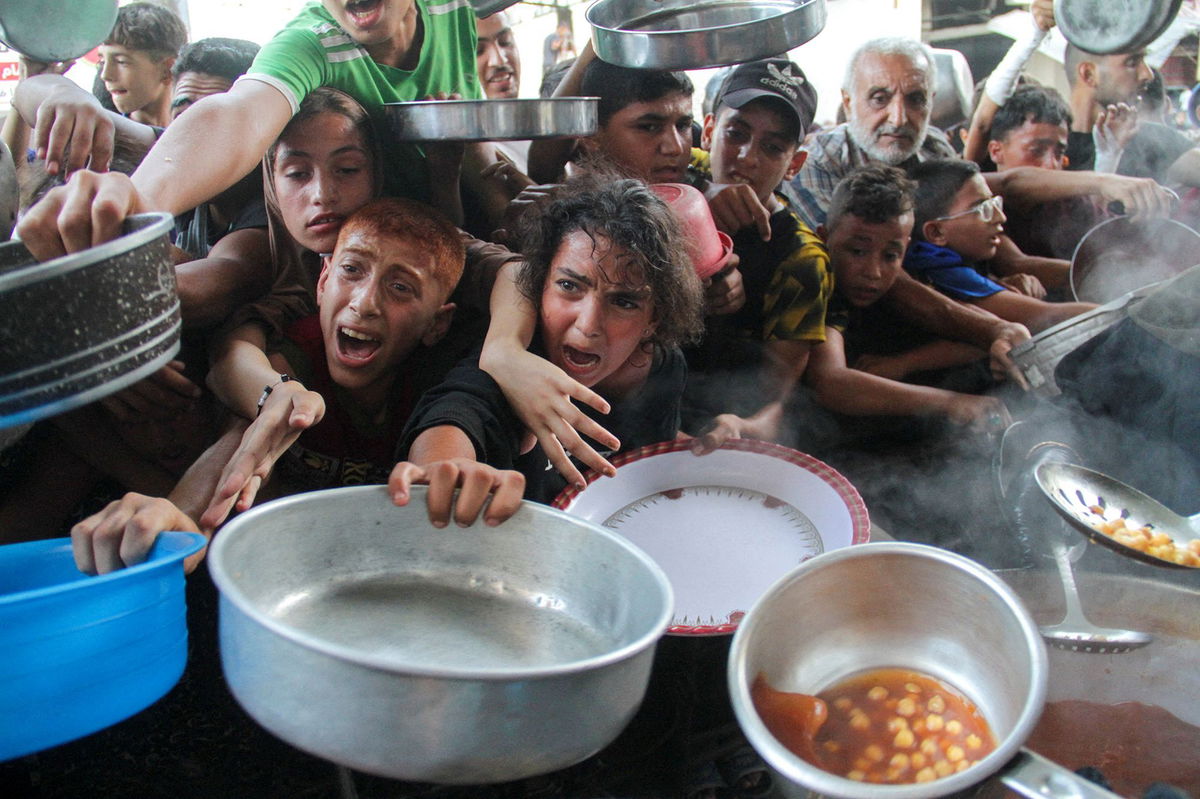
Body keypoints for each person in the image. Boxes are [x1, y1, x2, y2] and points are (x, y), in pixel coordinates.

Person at [71, 197, 465, 574]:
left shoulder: (441, 380)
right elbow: (249, 434)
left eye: (400, 287)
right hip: (287, 562)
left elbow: (442, 451)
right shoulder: (295, 353)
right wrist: (179, 517)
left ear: (437, 324)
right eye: (352, 270)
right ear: (322, 281)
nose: (364, 304)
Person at [16, 0, 481, 261]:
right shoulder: (309, 43)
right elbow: (235, 116)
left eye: (347, 168)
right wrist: (133, 208)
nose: (322, 192)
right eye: (299, 172)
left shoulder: (456, 10)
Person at [391, 174, 704, 514]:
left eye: (624, 302)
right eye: (569, 286)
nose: (587, 325)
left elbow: (646, 479)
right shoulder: (513, 373)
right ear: (540, 285)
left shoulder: (664, 368)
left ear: (654, 320)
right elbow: (457, 414)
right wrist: (444, 471)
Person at [799, 165, 1012, 439]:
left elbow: (969, 335)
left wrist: (905, 363)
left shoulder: (903, 284)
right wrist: (950, 402)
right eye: (858, 251)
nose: (873, 272)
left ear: (906, 249)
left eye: (890, 256)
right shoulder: (822, 283)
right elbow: (831, 382)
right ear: (824, 238)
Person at [682, 58, 831, 446]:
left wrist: (743, 427)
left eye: (772, 147)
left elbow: (775, 393)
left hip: (719, 425)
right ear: (709, 132)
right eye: (736, 133)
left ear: (795, 164)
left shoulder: (801, 258)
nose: (748, 157)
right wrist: (699, 202)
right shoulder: (675, 178)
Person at [784, 37, 955, 230]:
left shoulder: (935, 147)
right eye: (880, 99)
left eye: (915, 99)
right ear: (848, 103)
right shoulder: (819, 163)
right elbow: (850, 250)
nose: (898, 119)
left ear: (930, 102)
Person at [906, 158, 1094, 333]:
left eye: (994, 203)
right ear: (936, 233)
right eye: (983, 209)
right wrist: (1121, 313)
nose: (1000, 217)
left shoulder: (957, 256)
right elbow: (1047, 317)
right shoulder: (938, 270)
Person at [1063, 41, 1200, 187]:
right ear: (1089, 74)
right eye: (1132, 62)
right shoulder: (1049, 141)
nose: (1148, 74)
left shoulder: (1148, 138)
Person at [98, 2, 188, 128]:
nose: (105, 75)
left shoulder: (198, 134)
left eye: (121, 62)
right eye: (102, 62)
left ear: (168, 70)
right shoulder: (104, 137)